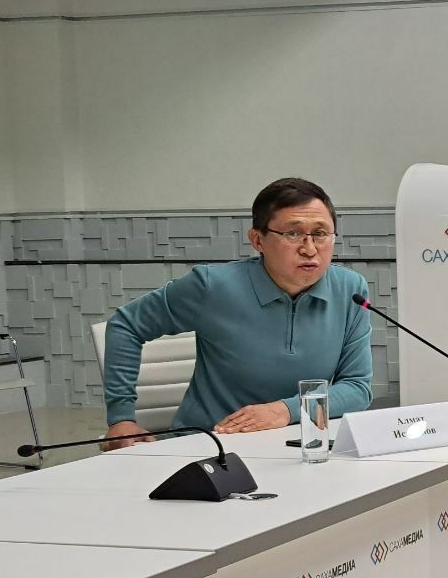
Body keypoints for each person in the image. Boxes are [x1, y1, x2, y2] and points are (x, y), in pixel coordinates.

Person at [100, 177, 372, 449]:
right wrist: (121, 418)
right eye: (292, 234)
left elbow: (357, 388)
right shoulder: (212, 286)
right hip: (210, 446)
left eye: (321, 234)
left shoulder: (350, 290)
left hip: (298, 445)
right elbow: (126, 325)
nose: (309, 249)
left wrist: (284, 410)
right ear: (258, 240)